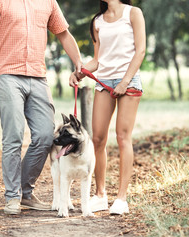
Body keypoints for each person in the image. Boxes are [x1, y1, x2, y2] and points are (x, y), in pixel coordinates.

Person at [0, 0, 82, 215]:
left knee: (45, 136)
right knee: (13, 136)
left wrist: (78, 63)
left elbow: (64, 35)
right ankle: (13, 197)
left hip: (38, 76)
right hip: (6, 75)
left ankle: (25, 192)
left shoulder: (48, 1)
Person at [69, 0, 146, 214]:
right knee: (98, 139)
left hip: (128, 82)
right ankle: (100, 195)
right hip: (104, 82)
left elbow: (140, 51)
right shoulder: (97, 21)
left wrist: (124, 81)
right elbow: (98, 60)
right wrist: (80, 72)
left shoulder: (133, 13)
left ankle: (121, 199)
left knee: (123, 137)